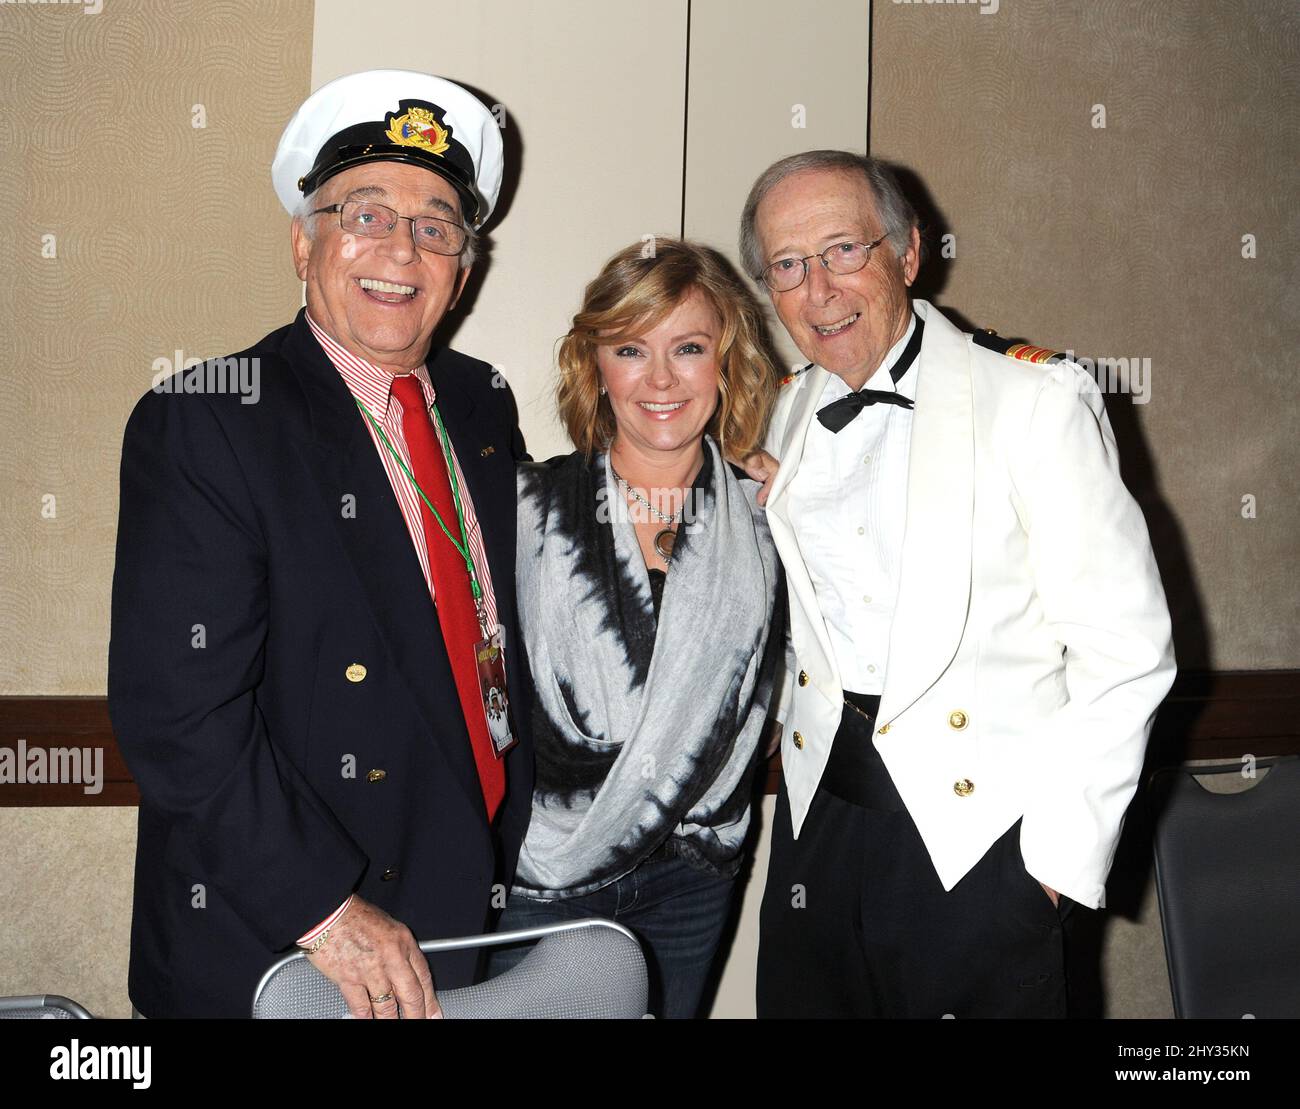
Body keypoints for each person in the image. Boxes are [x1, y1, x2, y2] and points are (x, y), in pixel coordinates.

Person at [108, 70, 533, 1018]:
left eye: (436, 225)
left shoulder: (482, 405)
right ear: (304, 243)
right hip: (290, 939)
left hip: (472, 910)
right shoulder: (209, 418)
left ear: (463, 267)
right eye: (366, 214)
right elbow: (178, 717)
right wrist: (329, 911)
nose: (402, 248)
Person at [742, 150, 1176, 1018]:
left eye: (842, 251)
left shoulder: (1033, 398)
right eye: (788, 266)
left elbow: (1127, 651)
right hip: (816, 822)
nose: (818, 290)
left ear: (906, 254)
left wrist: (1052, 866)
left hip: (980, 836)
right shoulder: (778, 408)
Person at [488, 240, 785, 1018]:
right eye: (630, 349)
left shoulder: (769, 515)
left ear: (725, 363)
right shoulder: (521, 509)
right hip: (544, 873)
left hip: (695, 874)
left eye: (688, 348)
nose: (660, 379)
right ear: (597, 366)